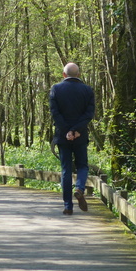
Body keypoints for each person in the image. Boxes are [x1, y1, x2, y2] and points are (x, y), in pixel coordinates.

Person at [49, 62, 95, 215]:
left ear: (64, 75)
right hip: (80, 136)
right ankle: (80, 188)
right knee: (82, 166)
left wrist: (67, 131)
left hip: (63, 137)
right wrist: (76, 130)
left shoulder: (56, 89)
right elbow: (88, 115)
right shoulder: (87, 90)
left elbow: (55, 113)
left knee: (66, 170)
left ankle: (68, 206)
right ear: (79, 75)